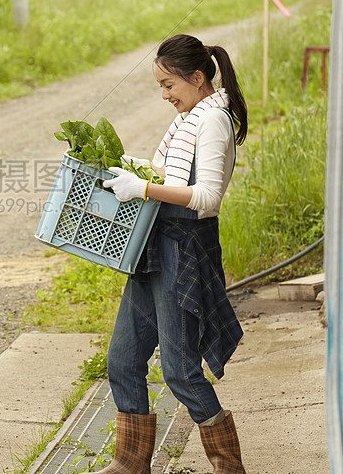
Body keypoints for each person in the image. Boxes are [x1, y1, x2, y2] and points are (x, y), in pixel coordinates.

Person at [99, 34, 248, 474]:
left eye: (169, 85)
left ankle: (229, 467)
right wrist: (130, 171)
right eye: (161, 86)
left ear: (197, 78)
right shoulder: (186, 121)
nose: (165, 95)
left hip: (184, 251)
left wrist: (143, 188)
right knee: (123, 359)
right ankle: (130, 463)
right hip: (154, 247)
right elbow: (168, 174)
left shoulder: (213, 120)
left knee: (181, 371)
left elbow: (207, 196)